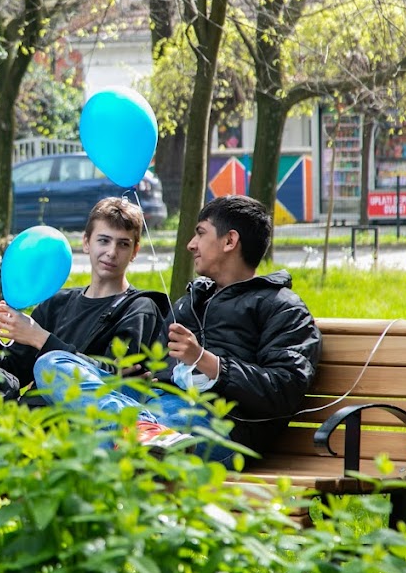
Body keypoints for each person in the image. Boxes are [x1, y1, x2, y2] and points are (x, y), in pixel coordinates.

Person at [33, 194, 321, 467]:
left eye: (201, 233)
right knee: (51, 364)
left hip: (219, 426)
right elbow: (157, 370)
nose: (191, 244)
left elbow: (285, 388)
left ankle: (136, 434)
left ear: (230, 240)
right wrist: (139, 375)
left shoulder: (283, 307)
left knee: (79, 439)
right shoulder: (190, 303)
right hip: (155, 407)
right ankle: (138, 431)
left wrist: (208, 363)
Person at [0, 196, 169, 400]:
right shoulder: (56, 303)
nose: (112, 252)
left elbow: (111, 378)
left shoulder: (139, 308)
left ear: (134, 251)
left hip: (80, 421)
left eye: (123, 244)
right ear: (86, 243)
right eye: (103, 240)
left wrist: (39, 338)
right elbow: (10, 376)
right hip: (27, 414)